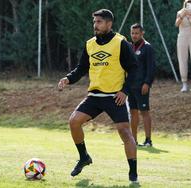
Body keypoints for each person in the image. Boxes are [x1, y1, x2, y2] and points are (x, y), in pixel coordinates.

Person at [58, 9, 139, 184]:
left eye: (99, 22)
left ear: (109, 23)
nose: (95, 25)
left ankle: (133, 174)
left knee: (125, 132)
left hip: (115, 96)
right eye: (94, 22)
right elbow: (81, 68)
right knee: (74, 122)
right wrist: (68, 78)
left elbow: (134, 69)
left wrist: (124, 91)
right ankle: (84, 157)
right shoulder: (90, 44)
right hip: (94, 96)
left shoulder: (120, 43)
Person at [128, 23, 155, 147]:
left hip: (142, 86)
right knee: (133, 112)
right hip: (131, 86)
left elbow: (151, 67)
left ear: (142, 33)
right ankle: (133, 140)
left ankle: (148, 140)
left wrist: (147, 83)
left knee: (144, 112)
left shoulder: (147, 47)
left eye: (137, 33)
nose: (134, 35)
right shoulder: (130, 47)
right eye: (132, 33)